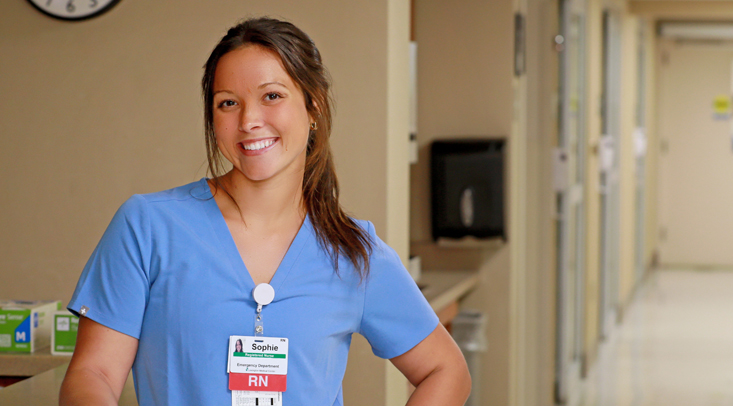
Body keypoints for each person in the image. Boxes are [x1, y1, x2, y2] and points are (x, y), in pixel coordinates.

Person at [59, 17, 470, 406]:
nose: (249, 120)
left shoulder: (354, 252)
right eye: (227, 103)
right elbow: (93, 374)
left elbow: (445, 370)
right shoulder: (147, 227)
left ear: (314, 107)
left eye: (272, 96)